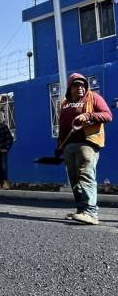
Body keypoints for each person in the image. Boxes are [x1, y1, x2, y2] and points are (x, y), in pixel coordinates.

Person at [58, 73, 112, 225]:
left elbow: (108, 115)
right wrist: (60, 145)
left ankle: (91, 212)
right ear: (70, 87)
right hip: (69, 146)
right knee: (74, 179)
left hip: (87, 143)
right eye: (76, 85)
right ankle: (81, 210)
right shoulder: (65, 103)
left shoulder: (93, 97)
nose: (80, 88)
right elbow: (62, 125)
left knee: (86, 175)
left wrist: (88, 115)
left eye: (83, 85)